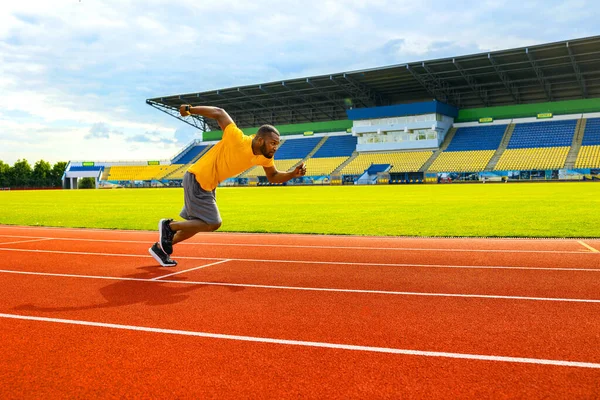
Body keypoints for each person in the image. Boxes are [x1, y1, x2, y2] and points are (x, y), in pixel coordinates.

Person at [148, 105, 307, 267]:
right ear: (260, 140)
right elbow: (220, 113)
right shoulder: (237, 139)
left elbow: (273, 176)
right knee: (213, 222)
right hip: (198, 178)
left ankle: (161, 248)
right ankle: (169, 226)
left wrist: (292, 174)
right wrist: (190, 109)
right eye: (273, 143)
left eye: (277, 144)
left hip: (208, 184)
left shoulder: (264, 157)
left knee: (196, 224)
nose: (275, 147)